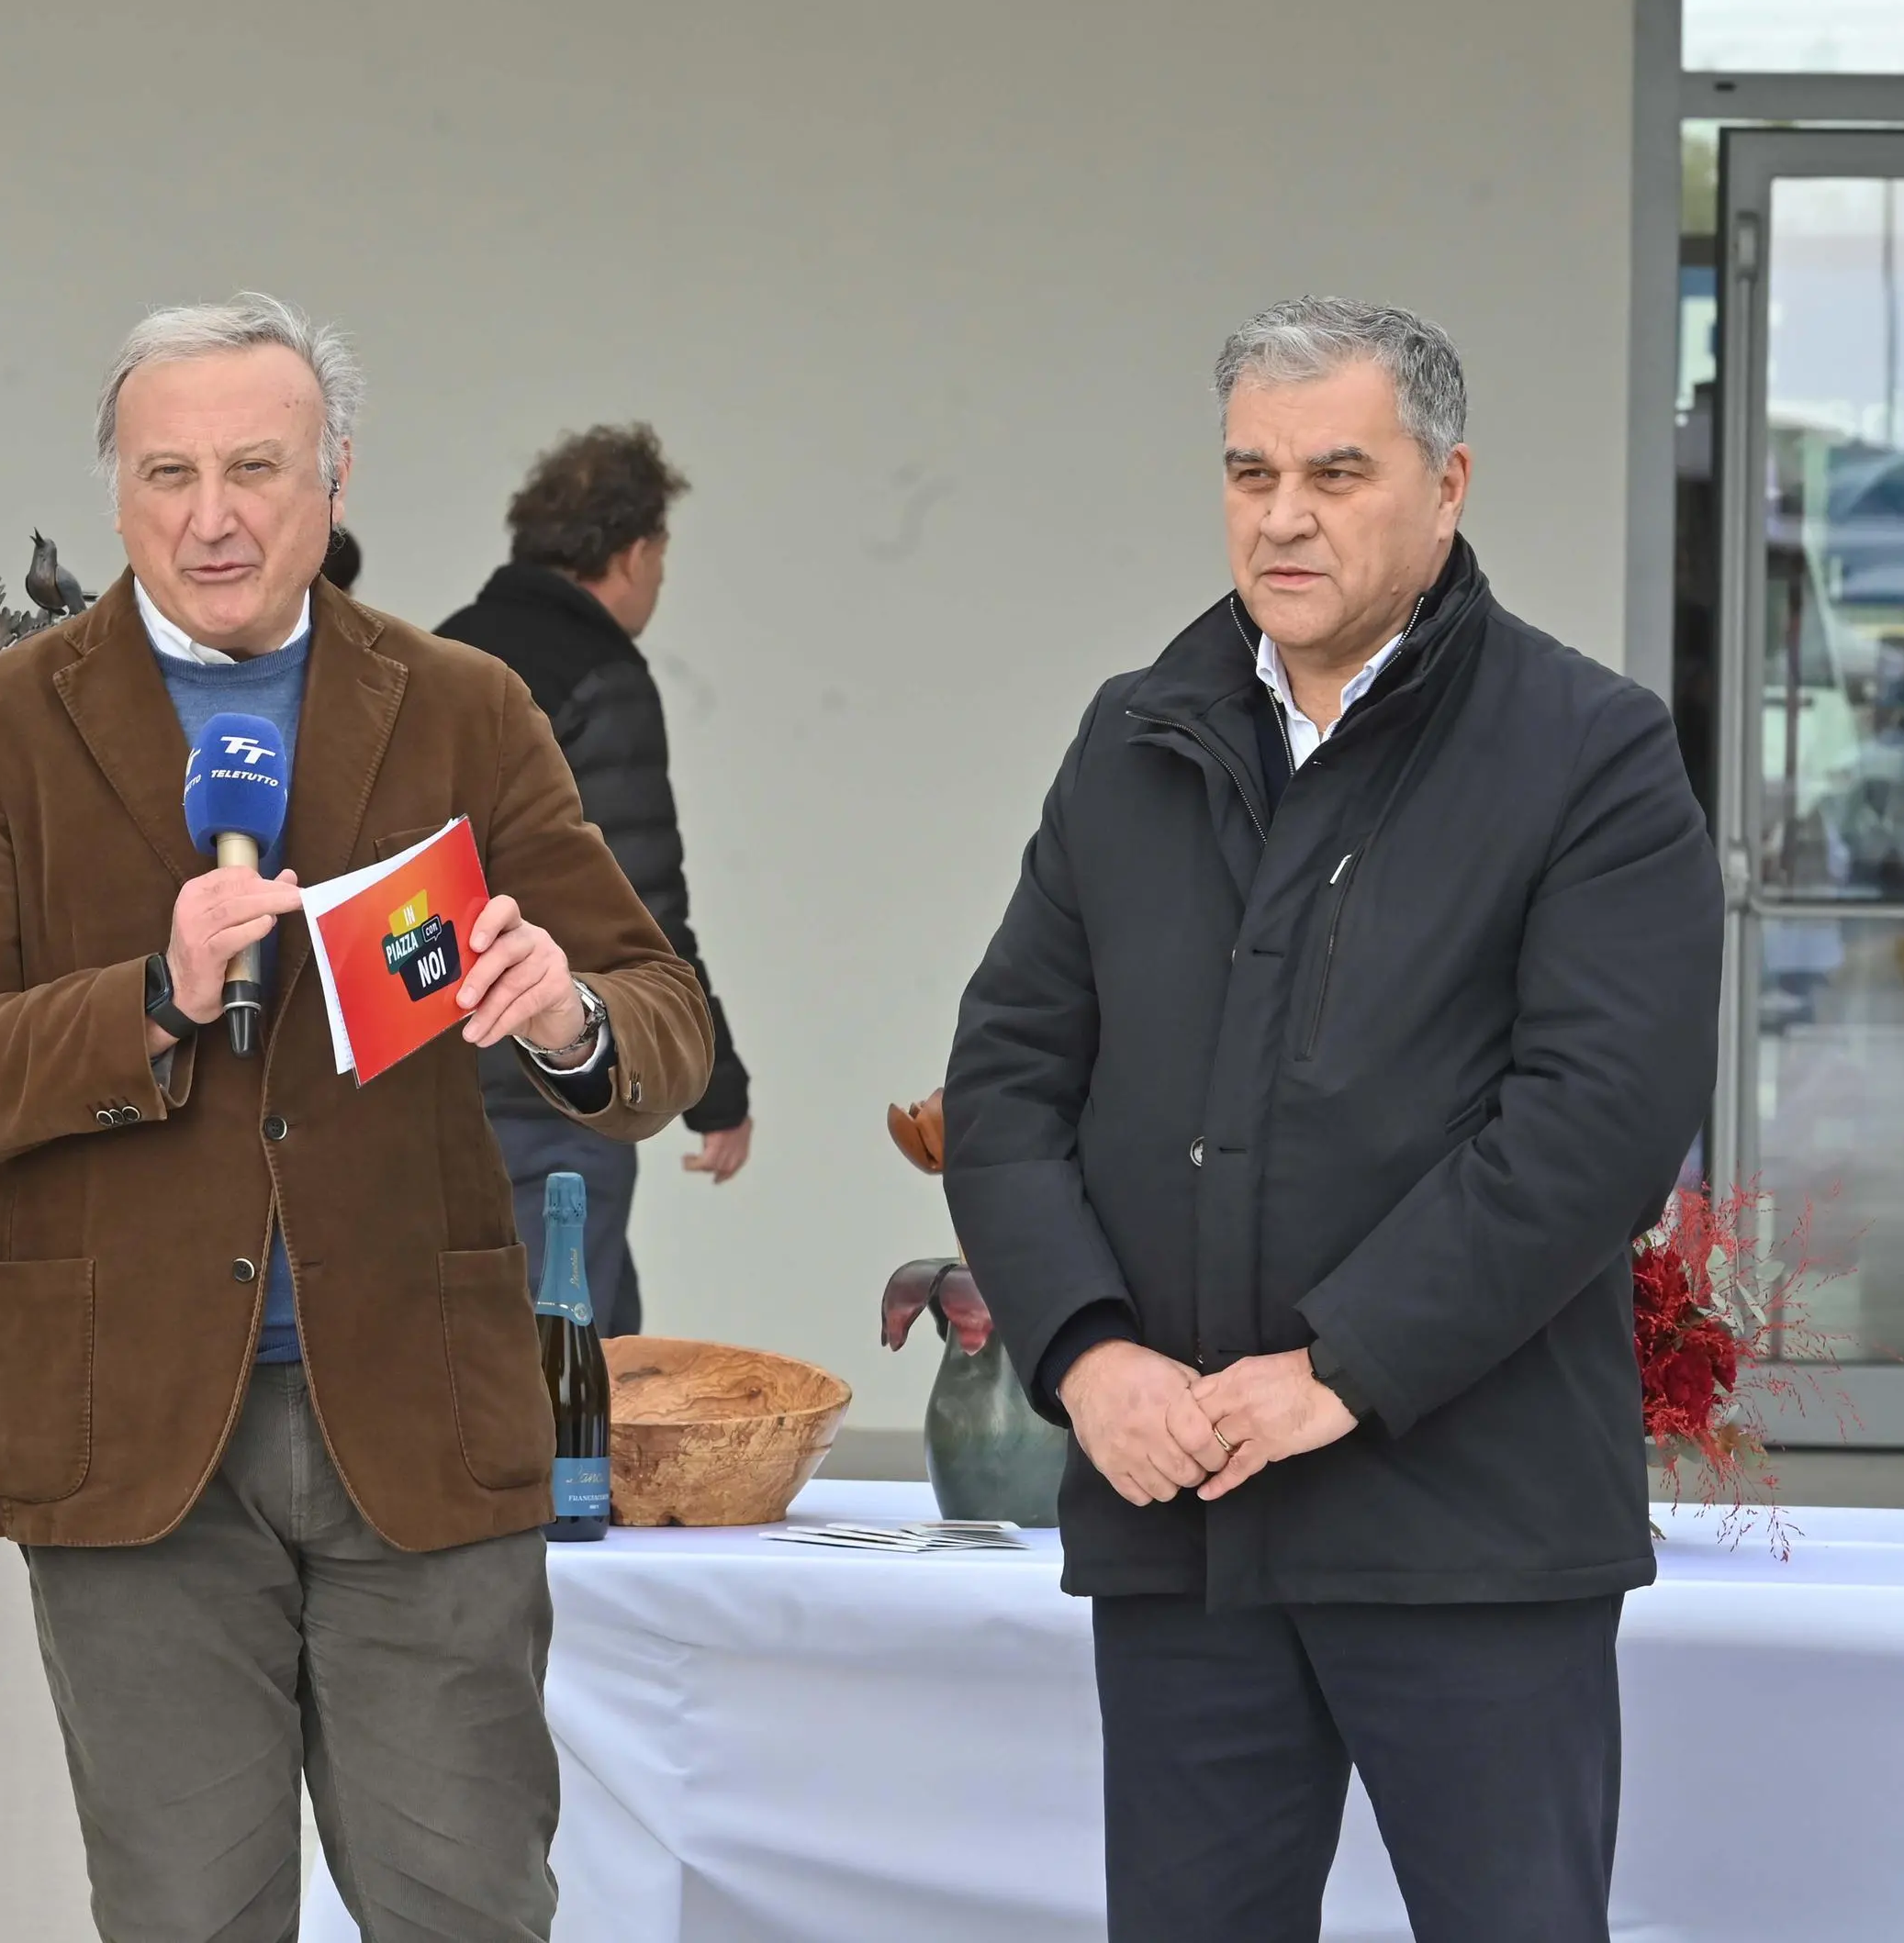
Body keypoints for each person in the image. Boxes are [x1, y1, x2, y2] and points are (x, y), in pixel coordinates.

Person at [0, 294, 711, 1942]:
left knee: (463, 1905)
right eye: (167, 471)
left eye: (254, 465)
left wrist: (566, 1015)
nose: (210, 513)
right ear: (115, 494)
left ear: (332, 479)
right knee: (183, 1917)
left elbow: (658, 1017)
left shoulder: (462, 708)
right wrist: (147, 998)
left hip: (420, 1422)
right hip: (128, 1443)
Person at [944, 298, 1719, 1943]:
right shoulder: (1129, 742)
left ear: (1444, 487)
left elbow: (1593, 1125)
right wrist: (1087, 1358)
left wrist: (1337, 1371)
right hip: (1183, 1525)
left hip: (1470, 1533)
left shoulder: (1588, 755)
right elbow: (1005, 1081)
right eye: (1247, 470)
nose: (1279, 513)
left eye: (1332, 471)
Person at [436, 425, 752, 1335]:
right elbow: (644, 904)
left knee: (484, 1362)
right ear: (635, 551)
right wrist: (716, 1087)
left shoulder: (442, 660)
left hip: (432, 1084)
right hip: (554, 1079)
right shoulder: (605, 680)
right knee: (568, 1379)